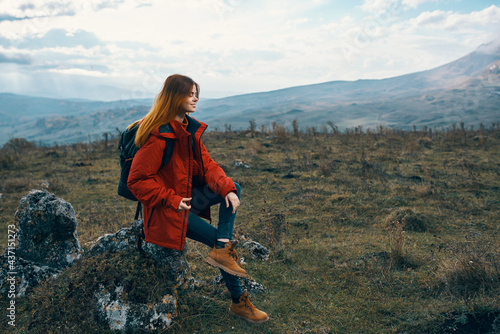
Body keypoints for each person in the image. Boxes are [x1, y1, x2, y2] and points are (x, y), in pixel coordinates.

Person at [127, 74, 269, 324]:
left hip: (186, 201)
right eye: (189, 93)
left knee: (231, 186)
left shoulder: (188, 131)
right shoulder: (158, 136)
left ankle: (224, 245)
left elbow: (208, 166)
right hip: (168, 210)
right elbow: (137, 181)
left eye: (196, 94)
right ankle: (239, 302)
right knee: (214, 241)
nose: (195, 98)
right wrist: (171, 199)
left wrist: (226, 189)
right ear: (174, 96)